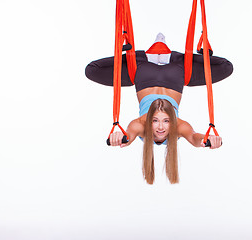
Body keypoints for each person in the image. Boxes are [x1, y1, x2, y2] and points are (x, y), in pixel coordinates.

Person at [85, 33, 233, 184]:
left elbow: (128, 136)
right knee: (226, 68)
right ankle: (172, 57)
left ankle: (144, 57)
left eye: (155, 121)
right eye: (167, 121)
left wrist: (119, 138)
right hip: (175, 72)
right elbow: (195, 138)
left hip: (143, 72)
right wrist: (207, 139)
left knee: (91, 70)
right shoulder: (179, 127)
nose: (160, 126)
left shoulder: (140, 125)